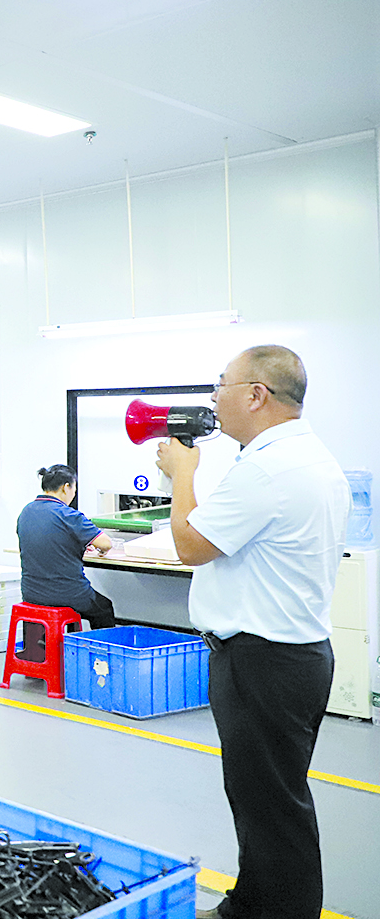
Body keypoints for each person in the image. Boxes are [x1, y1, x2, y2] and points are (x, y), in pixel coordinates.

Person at [155, 346, 346, 919]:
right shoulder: (306, 457)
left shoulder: (267, 469)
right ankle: (251, 905)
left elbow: (191, 545)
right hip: (292, 656)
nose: (214, 399)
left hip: (262, 660)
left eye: (221, 385)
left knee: (273, 806)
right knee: (265, 798)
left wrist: (183, 473)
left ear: (256, 395)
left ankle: (278, 911)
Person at [15, 464, 116, 658]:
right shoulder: (68, 515)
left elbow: (45, 542)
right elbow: (106, 543)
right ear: (66, 487)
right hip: (67, 594)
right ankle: (102, 661)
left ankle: (42, 646)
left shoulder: (26, 512)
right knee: (103, 608)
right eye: (74, 489)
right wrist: (97, 547)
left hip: (32, 593)